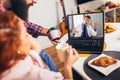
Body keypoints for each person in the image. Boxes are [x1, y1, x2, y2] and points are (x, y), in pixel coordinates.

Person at [0, 11, 79, 80]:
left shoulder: (9, 61)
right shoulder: (37, 75)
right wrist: (68, 65)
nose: (28, 36)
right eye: (25, 34)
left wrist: (49, 31)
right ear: (15, 45)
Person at [1, 0, 61, 72]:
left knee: (44, 55)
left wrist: (48, 31)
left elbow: (24, 24)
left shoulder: (9, 8)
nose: (35, 1)